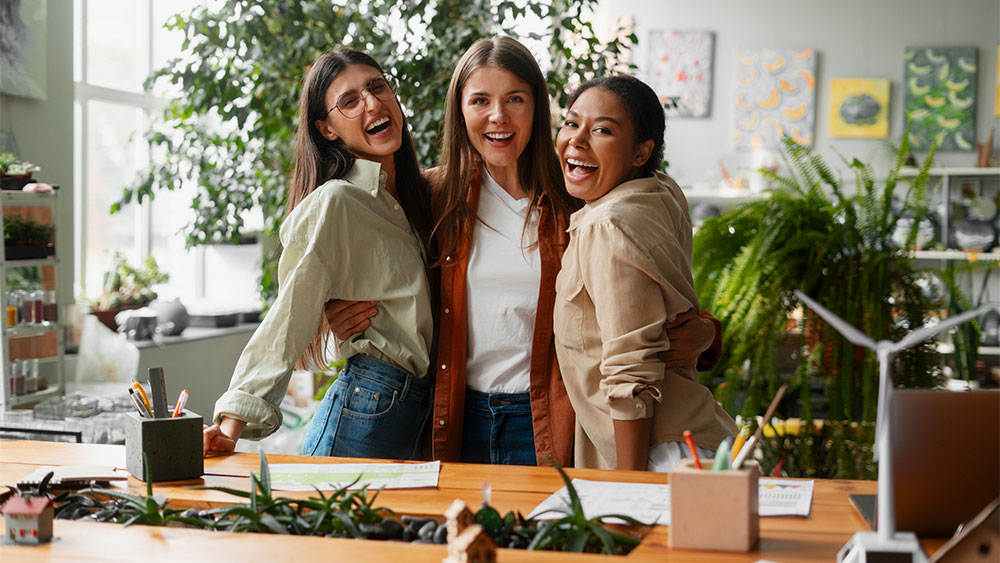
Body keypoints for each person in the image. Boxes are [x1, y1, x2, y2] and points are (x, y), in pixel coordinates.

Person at [326, 36, 721, 467]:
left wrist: (705, 331)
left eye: (515, 99)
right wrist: (330, 323)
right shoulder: (428, 196)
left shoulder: (580, 194)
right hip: (455, 417)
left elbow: (648, 292)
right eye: (480, 100)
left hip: (552, 421)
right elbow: (366, 285)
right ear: (460, 110)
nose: (498, 116)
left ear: (538, 107)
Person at [203, 48, 437, 460]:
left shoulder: (421, 197)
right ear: (327, 130)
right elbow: (289, 316)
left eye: (378, 87)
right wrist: (231, 425)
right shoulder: (336, 202)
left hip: (419, 408)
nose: (373, 103)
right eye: (350, 101)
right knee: (322, 527)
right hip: (368, 407)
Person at [553, 75, 737, 472]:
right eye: (571, 123)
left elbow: (629, 371)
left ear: (641, 152)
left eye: (602, 129)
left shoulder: (607, 225)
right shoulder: (659, 191)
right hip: (690, 439)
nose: (578, 140)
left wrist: (631, 486)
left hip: (656, 456)